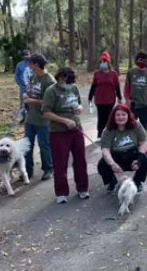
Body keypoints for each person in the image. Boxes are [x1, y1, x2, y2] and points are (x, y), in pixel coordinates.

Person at [43, 68, 89, 204]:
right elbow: (46, 112)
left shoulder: (73, 88)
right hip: (58, 132)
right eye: (67, 82)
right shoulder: (51, 91)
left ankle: (82, 188)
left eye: (71, 82)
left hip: (76, 129)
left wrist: (80, 108)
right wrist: (64, 120)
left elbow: (79, 103)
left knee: (80, 159)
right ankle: (61, 192)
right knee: (60, 163)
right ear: (60, 79)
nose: (69, 84)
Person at [97, 104, 147, 193]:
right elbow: (105, 149)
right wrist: (112, 164)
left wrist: (139, 160)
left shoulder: (136, 125)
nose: (120, 117)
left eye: (123, 114)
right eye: (117, 115)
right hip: (116, 156)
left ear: (128, 115)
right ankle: (113, 182)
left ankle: (137, 181)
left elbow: (143, 142)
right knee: (102, 165)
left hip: (133, 154)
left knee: (146, 161)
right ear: (113, 117)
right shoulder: (108, 130)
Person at [22, 53, 55, 181]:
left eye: (30, 63)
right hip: (30, 118)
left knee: (44, 145)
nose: (28, 65)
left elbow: (50, 102)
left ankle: (48, 169)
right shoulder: (33, 77)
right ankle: (27, 171)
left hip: (43, 120)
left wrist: (32, 102)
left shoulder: (49, 80)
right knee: (27, 145)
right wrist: (26, 95)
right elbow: (31, 92)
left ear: (36, 64)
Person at [88, 51, 122, 142]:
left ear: (108, 62)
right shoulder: (97, 73)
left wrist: (120, 97)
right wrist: (90, 97)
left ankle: (110, 135)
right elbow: (93, 86)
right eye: (101, 61)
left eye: (105, 61)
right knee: (101, 118)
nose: (103, 63)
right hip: (99, 100)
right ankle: (99, 135)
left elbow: (117, 86)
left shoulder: (113, 74)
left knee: (110, 117)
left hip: (110, 99)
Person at [124, 51, 147, 131]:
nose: (141, 62)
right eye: (140, 59)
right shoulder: (130, 72)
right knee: (130, 126)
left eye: (144, 61)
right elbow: (126, 88)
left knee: (143, 128)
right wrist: (127, 99)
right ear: (136, 60)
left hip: (144, 105)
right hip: (132, 105)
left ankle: (142, 143)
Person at [14, 49, 32, 123]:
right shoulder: (19, 64)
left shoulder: (32, 63)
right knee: (23, 101)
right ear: (23, 56)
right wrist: (20, 83)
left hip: (32, 86)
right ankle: (24, 117)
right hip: (23, 86)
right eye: (25, 55)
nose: (26, 56)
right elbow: (16, 75)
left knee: (32, 101)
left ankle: (31, 117)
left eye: (28, 55)